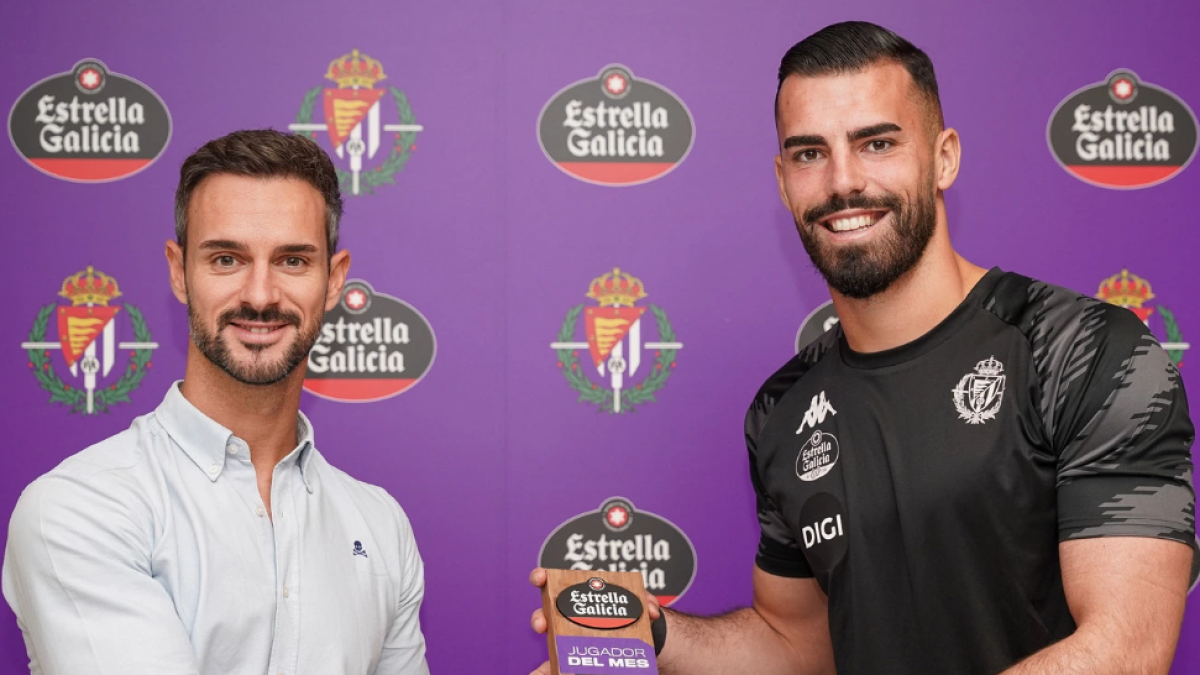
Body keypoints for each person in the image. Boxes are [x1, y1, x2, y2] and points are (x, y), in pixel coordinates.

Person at [530, 21, 1196, 675]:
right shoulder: (783, 408)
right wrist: (657, 633)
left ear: (944, 156)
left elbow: (1124, 647)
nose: (842, 182)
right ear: (782, 177)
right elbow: (796, 642)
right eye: (809, 153)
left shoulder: (1084, 353)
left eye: (876, 143)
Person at [3, 130, 429, 675]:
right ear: (180, 272)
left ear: (333, 279)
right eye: (227, 259)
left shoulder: (380, 524)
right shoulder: (79, 508)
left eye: (293, 261)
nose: (259, 294)